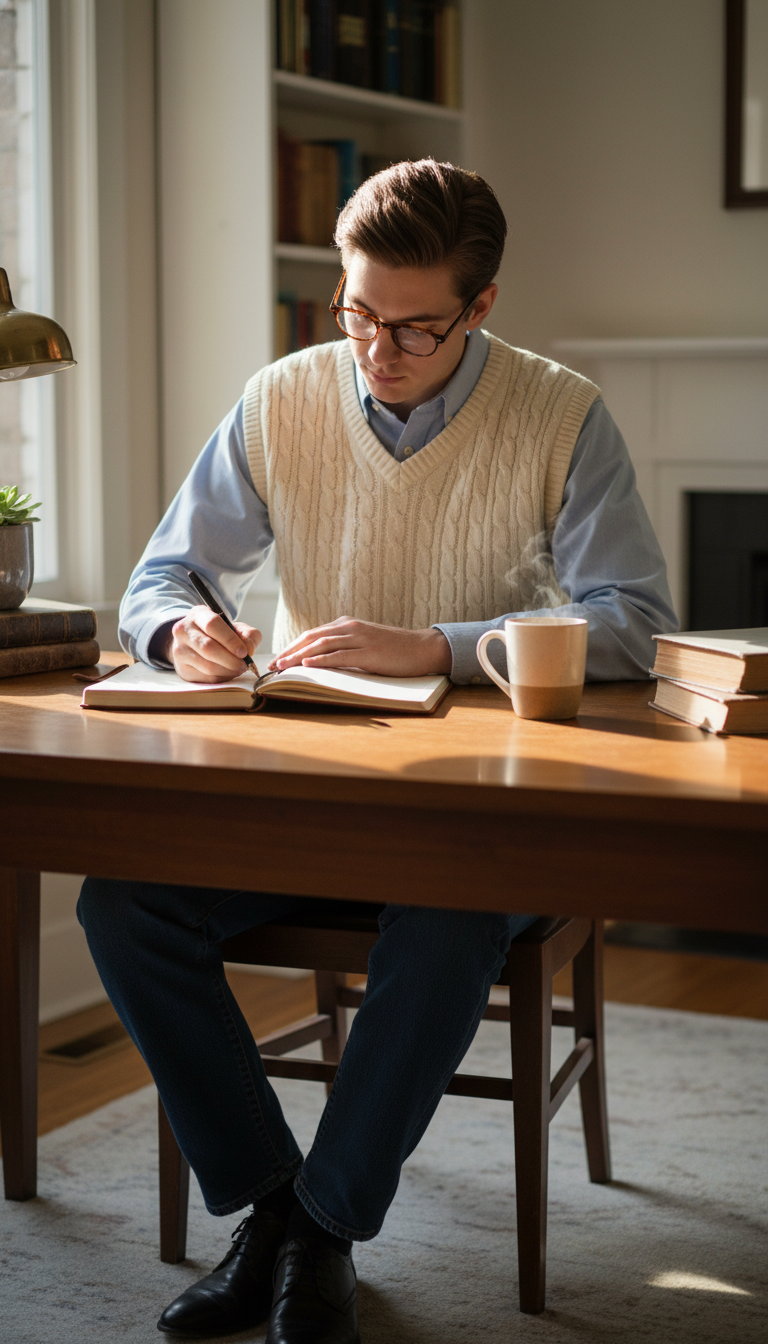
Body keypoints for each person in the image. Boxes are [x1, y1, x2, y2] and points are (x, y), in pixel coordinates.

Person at [77, 160, 677, 1343]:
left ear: (482, 306)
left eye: (413, 325)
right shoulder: (281, 399)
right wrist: (178, 625)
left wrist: (441, 648)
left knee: (450, 913)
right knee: (121, 900)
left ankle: (324, 1232)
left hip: (491, 819)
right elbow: (159, 575)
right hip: (309, 798)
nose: (377, 349)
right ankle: (276, 1209)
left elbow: (637, 622)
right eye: (356, 313)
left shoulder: (564, 414)